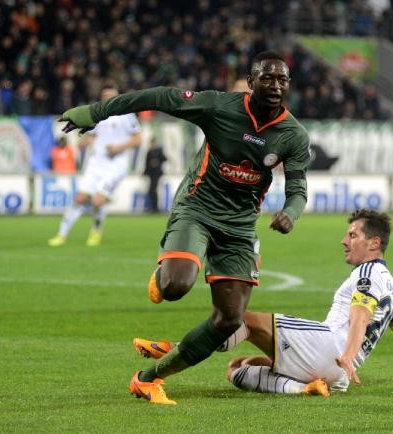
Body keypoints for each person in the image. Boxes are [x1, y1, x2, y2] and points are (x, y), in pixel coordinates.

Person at [59, 51, 310, 405]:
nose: (275, 85)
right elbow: (160, 97)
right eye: (267, 78)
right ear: (251, 82)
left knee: (229, 319)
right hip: (198, 208)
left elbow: (298, 188)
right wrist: (97, 112)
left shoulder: (293, 135)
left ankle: (148, 379)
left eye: (282, 79)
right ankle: (165, 273)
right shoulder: (219, 106)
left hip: (240, 228)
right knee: (176, 286)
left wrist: (291, 212)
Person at [133, 209, 393, 398]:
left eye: (353, 235)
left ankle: (176, 349)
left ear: (374, 243)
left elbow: (360, 316)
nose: (344, 241)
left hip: (331, 349)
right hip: (338, 376)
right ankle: (305, 388)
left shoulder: (367, 273)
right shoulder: (391, 286)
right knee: (239, 368)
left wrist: (349, 355)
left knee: (241, 318)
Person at [48, 85, 142, 247]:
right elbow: (94, 136)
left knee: (98, 201)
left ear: (117, 97)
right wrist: (84, 142)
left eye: (111, 96)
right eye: (105, 96)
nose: (108, 99)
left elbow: (138, 139)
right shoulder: (97, 115)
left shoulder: (127, 115)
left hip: (116, 165)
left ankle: (96, 230)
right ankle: (61, 235)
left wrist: (119, 148)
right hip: (96, 163)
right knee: (79, 198)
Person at [143, 137, 167, 213]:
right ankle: (153, 207)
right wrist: (144, 172)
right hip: (151, 174)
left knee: (153, 190)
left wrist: (157, 162)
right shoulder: (149, 152)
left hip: (157, 173)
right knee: (151, 190)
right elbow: (146, 163)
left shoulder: (159, 151)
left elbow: (165, 159)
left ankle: (155, 208)